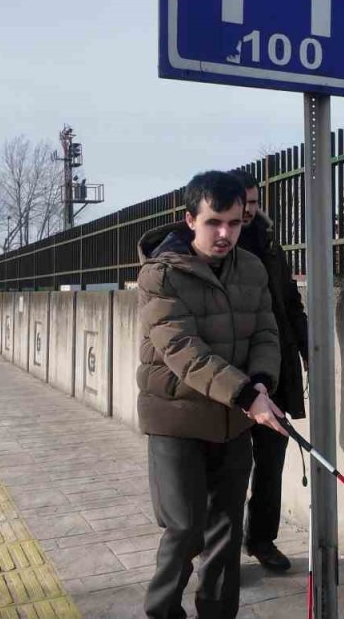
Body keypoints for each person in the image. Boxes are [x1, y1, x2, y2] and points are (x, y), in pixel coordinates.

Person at [136, 170, 288, 619]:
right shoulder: (160, 274)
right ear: (190, 219)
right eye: (214, 222)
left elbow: (266, 330)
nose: (225, 234)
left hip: (233, 421)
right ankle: (162, 611)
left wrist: (261, 379)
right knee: (185, 529)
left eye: (235, 223)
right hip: (176, 420)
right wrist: (245, 393)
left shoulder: (253, 267)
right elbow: (181, 349)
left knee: (226, 533)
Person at [230, 170, 309, 573]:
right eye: (242, 202)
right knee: (229, 468)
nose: (248, 210)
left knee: (271, 461)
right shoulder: (216, 247)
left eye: (254, 202)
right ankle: (221, 553)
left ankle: (262, 539)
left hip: (276, 370)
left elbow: (290, 301)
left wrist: (307, 348)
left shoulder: (269, 243)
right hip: (233, 378)